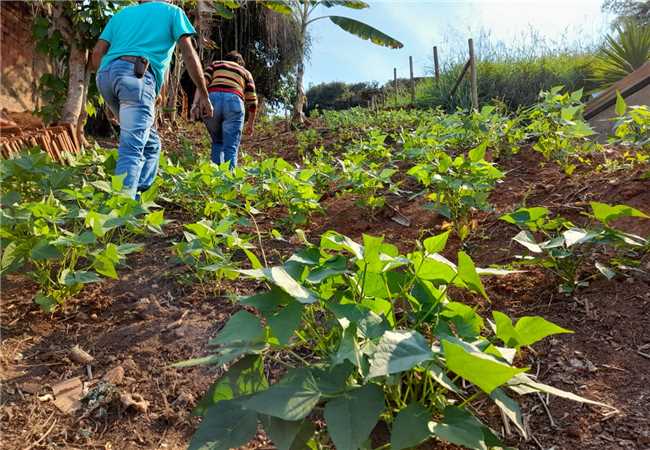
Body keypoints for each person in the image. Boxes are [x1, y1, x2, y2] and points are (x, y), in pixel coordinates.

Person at [91, 0, 213, 198]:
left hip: (106, 76)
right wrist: (203, 93)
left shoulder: (122, 14)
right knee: (131, 148)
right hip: (136, 78)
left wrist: (106, 89)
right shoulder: (173, 12)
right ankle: (122, 209)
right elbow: (189, 53)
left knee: (151, 143)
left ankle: (136, 193)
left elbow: (97, 53)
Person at [193, 51, 257, 169]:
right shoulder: (245, 72)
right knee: (231, 146)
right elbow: (252, 101)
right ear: (240, 63)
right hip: (234, 101)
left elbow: (202, 83)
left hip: (212, 101)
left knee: (217, 142)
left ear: (226, 59)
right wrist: (250, 124)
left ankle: (215, 178)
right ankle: (229, 182)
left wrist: (195, 103)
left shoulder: (216, 64)